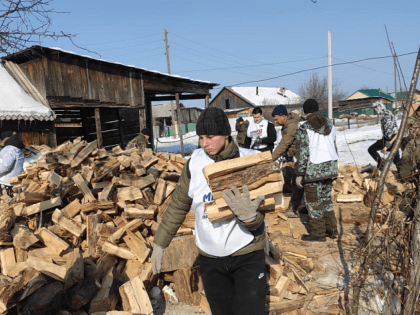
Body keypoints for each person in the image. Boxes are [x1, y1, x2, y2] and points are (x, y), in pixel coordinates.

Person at [151, 107, 267, 315]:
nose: (204, 143)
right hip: (210, 257)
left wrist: (251, 218)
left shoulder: (248, 161)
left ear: (225, 134)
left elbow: (264, 211)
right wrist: (160, 243)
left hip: (246, 254)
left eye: (210, 137)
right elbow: (178, 205)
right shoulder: (194, 164)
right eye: (201, 137)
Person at [294, 99, 339, 242]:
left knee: (314, 202)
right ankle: (332, 230)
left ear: (305, 111)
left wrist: (300, 174)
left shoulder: (304, 127)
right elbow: (334, 145)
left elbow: (302, 152)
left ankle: (318, 234)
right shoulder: (330, 124)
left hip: (314, 169)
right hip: (330, 167)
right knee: (326, 200)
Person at [271, 105, 304, 218]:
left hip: (301, 156)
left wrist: (271, 158)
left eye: (276, 119)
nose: (274, 121)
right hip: (296, 156)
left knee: (297, 181)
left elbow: (284, 143)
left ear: (283, 116)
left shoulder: (291, 126)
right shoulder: (287, 125)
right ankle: (301, 206)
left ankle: (295, 208)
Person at [368, 101, 401, 169]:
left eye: (375, 108)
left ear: (379, 107)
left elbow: (388, 128)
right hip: (392, 137)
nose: (375, 110)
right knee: (396, 158)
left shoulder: (386, 114)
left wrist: (388, 141)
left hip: (391, 138)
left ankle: (381, 163)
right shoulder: (387, 112)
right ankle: (402, 172)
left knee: (371, 149)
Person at [399, 104, 420, 181]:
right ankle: (405, 177)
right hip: (412, 141)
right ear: (417, 111)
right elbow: (403, 132)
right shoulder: (410, 119)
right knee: (405, 156)